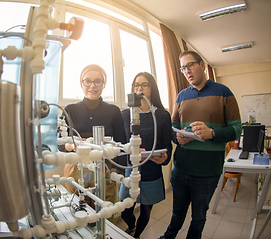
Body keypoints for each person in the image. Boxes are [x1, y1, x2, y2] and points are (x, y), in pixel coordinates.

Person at [158, 51, 242, 239]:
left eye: (190, 65)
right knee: (177, 212)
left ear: (202, 65)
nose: (186, 71)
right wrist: (177, 137)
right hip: (181, 169)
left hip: (208, 172)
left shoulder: (223, 92)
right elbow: (173, 127)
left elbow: (237, 128)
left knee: (198, 218)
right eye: (182, 68)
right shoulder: (180, 96)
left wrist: (212, 133)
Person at [61, 64, 126, 220]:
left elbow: (121, 143)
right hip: (75, 170)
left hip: (104, 170)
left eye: (98, 81)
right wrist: (70, 145)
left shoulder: (113, 111)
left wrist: (118, 171)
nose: (92, 85)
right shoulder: (70, 110)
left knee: (106, 217)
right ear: (81, 83)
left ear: (104, 84)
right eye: (87, 81)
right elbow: (59, 143)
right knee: (77, 215)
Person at [119, 72, 172, 238]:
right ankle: (131, 224)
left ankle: (136, 235)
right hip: (131, 170)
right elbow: (119, 144)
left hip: (152, 171)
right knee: (124, 210)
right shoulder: (125, 114)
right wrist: (129, 152)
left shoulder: (162, 115)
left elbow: (166, 145)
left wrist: (165, 158)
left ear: (152, 88)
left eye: (144, 85)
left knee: (146, 211)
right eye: (136, 85)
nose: (139, 88)